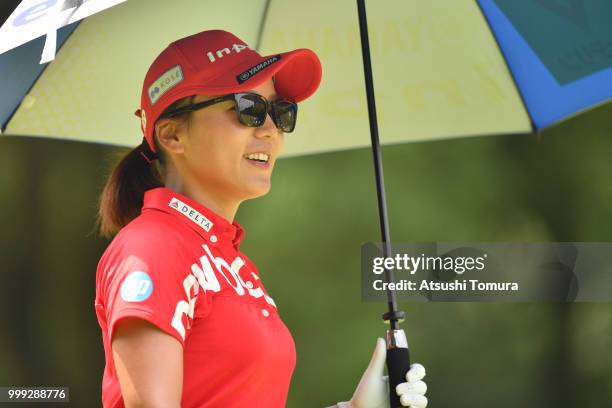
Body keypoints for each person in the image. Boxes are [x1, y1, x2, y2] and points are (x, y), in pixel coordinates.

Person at [95, 29, 428, 408]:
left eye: (280, 112)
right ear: (172, 136)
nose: (270, 130)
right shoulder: (152, 245)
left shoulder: (234, 265)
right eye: (247, 108)